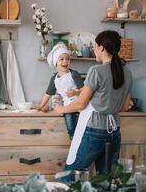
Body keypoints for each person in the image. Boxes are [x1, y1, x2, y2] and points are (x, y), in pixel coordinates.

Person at [54, 30, 132, 178]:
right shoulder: (127, 73)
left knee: (69, 177)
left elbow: (80, 105)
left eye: (95, 47)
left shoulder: (96, 71)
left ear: (102, 47)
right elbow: (125, 106)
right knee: (106, 181)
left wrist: (60, 109)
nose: (94, 50)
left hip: (94, 132)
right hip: (114, 132)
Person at [38, 43, 84, 139]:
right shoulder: (54, 79)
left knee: (82, 126)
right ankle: (73, 138)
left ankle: (79, 138)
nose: (65, 61)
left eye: (67, 59)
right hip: (67, 105)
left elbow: (84, 90)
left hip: (79, 103)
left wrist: (75, 92)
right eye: (61, 59)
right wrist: (40, 106)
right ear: (56, 62)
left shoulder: (74, 74)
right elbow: (48, 94)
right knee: (69, 120)